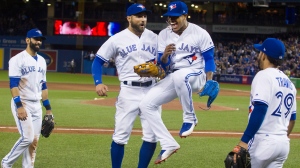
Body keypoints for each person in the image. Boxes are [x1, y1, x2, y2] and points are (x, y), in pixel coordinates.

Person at [139, 1, 218, 164]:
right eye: (169, 18)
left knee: (180, 76)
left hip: (196, 75)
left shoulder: (200, 33)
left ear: (184, 15)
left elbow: (209, 59)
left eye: (175, 17)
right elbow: (164, 66)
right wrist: (164, 57)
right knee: (146, 104)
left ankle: (190, 118)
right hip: (176, 77)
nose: (172, 21)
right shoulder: (164, 35)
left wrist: (209, 79)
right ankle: (168, 143)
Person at [91, 3, 159, 168]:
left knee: (152, 136)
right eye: (138, 16)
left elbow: (165, 63)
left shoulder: (155, 38)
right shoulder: (117, 39)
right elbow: (97, 62)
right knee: (120, 136)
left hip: (152, 90)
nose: (143, 19)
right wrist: (98, 83)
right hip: (129, 91)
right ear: (129, 18)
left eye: (144, 16)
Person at [230, 38, 296, 167]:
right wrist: (280, 138)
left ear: (264, 55)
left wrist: (243, 142)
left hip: (263, 142)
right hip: (283, 144)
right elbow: (292, 119)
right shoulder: (290, 83)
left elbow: (260, 108)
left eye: (260, 52)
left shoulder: (263, 75)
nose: (258, 55)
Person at [1, 28, 54, 168]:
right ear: (27, 40)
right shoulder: (17, 59)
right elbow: (13, 85)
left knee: (34, 141)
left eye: (40, 39)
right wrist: (19, 106)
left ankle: (28, 166)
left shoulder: (42, 61)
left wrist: (48, 109)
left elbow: (44, 86)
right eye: (36, 39)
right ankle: (6, 163)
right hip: (22, 102)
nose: (38, 42)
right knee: (27, 138)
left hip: (37, 105)